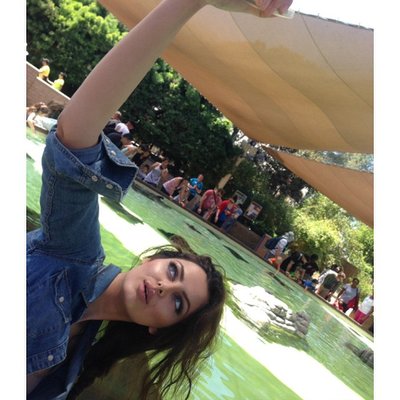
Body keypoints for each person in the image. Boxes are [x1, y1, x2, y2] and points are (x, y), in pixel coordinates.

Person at [27, 1, 292, 398]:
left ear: (159, 328)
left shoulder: (78, 365)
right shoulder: (74, 252)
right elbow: (75, 136)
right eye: (172, 270)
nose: (166, 288)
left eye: (179, 303)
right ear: (151, 260)